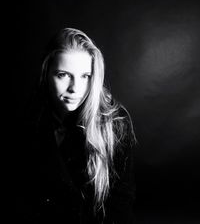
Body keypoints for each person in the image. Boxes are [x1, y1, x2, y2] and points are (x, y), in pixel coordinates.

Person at [18, 27, 136, 223]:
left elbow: (121, 205)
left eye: (85, 76)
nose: (75, 89)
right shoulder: (30, 120)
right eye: (63, 75)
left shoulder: (114, 123)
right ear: (46, 73)